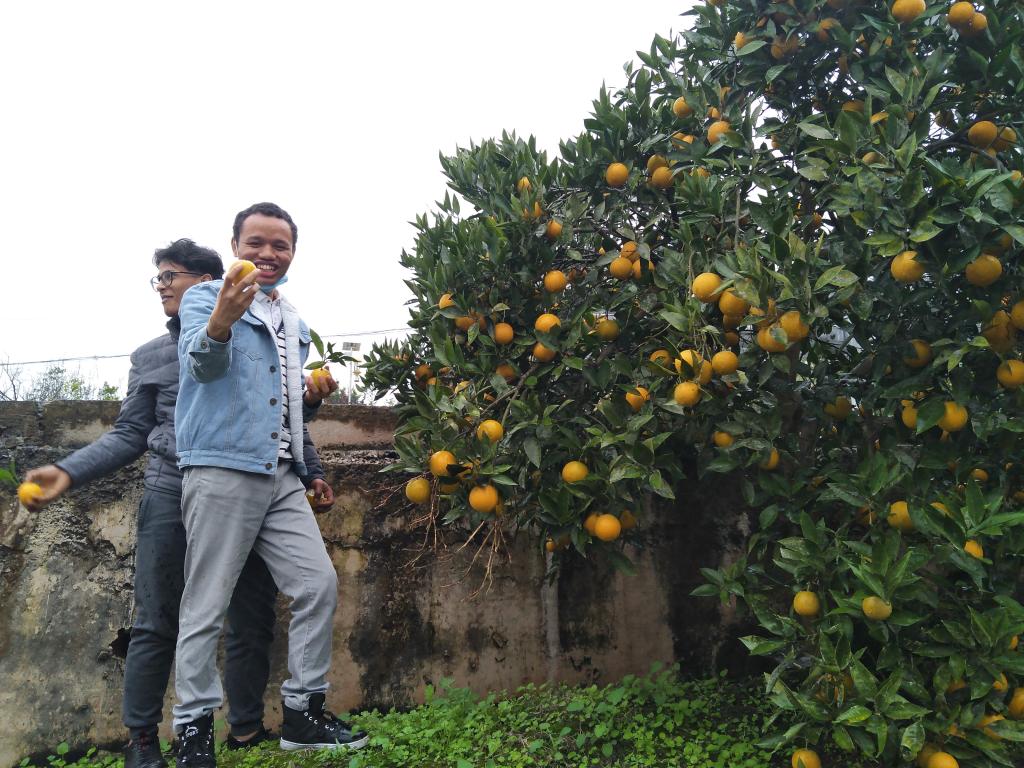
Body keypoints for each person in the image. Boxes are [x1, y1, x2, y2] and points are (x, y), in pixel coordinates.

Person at [22, 239, 338, 768]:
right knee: (159, 618)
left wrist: (313, 469)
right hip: (172, 488)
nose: (162, 286)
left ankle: (245, 728)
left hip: (250, 482)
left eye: (172, 276)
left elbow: (277, 421)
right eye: (159, 277)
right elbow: (129, 433)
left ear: (210, 282)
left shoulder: (258, 335)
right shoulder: (151, 356)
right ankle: (144, 739)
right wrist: (70, 471)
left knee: (253, 615)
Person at [171, 202, 366, 767]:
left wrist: (311, 464)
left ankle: (303, 711)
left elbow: (282, 408)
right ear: (235, 246)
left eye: (280, 245)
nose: (268, 253)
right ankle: (192, 731)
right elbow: (201, 369)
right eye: (255, 242)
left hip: (279, 474)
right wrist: (221, 321)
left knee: (317, 584)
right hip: (222, 466)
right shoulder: (206, 298)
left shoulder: (293, 320)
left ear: (293, 253)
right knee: (206, 602)